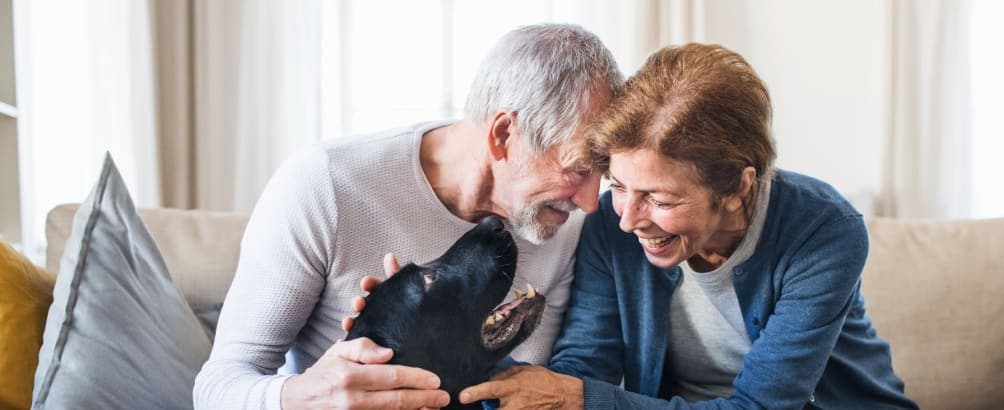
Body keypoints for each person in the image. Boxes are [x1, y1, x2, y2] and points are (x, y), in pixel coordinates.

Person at [457, 43, 918, 409]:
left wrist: (581, 399)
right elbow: (582, 371)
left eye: (660, 199)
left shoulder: (824, 231)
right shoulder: (608, 227)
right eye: (618, 185)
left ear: (738, 187)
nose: (627, 219)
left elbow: (762, 406)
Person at [192, 24, 623, 410]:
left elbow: (557, 385)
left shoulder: (565, 221)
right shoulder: (326, 184)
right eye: (579, 170)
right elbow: (217, 387)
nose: (590, 202)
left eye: (601, 175)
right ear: (503, 134)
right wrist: (300, 395)